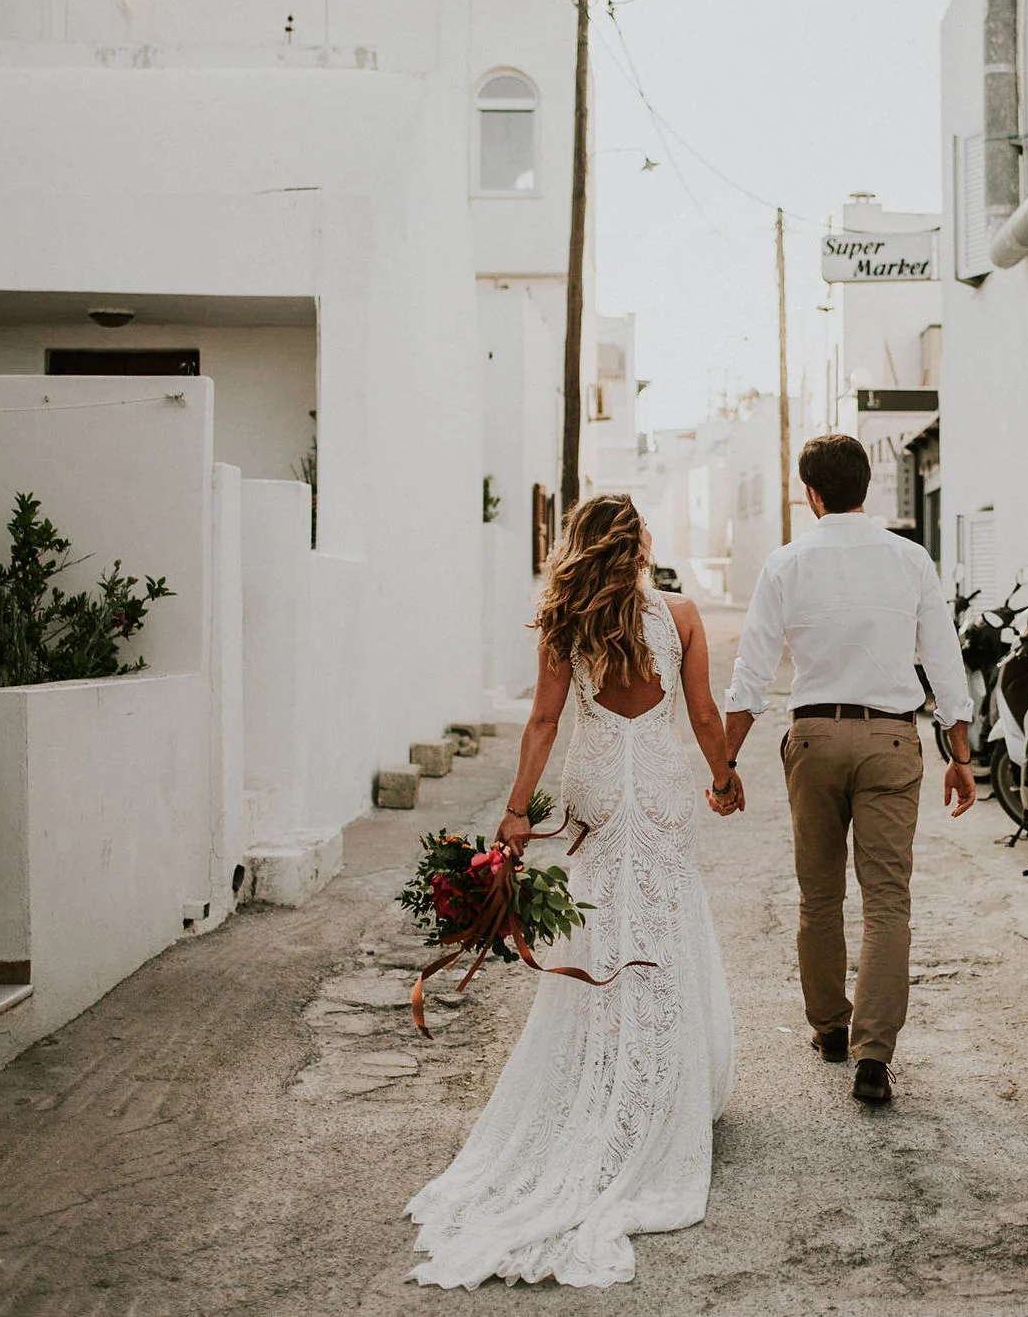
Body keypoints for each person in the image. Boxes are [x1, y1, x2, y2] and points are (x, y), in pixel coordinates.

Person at [405, 493, 741, 1289]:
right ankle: (658, 1088)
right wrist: (724, 776)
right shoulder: (683, 616)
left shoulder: (568, 622)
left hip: (597, 791)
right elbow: (700, 714)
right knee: (661, 927)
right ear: (641, 546)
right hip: (657, 792)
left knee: (598, 933)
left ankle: (600, 1086)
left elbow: (545, 724)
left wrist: (517, 807)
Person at [722, 433, 976, 1106]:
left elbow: (750, 674)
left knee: (820, 893)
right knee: (887, 900)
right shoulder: (910, 559)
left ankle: (831, 1028)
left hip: (813, 738)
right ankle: (873, 1057)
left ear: (812, 493)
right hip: (892, 740)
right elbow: (944, 664)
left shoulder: (786, 563)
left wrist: (725, 760)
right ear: (867, 486)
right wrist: (961, 754)